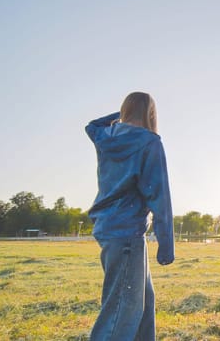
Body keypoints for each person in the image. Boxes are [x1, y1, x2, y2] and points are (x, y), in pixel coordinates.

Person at [85, 92, 174, 341]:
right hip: (127, 234)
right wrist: (166, 244)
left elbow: (91, 125)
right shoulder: (150, 142)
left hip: (111, 231)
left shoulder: (104, 136)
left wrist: (123, 116)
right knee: (121, 314)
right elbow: (159, 194)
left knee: (142, 303)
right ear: (151, 114)